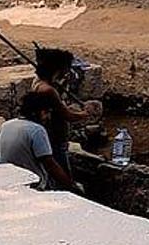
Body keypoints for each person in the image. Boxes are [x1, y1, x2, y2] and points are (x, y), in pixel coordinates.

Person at [31, 48, 101, 176]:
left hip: (51, 138)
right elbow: (67, 115)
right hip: (54, 139)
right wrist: (86, 113)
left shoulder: (39, 83)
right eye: (66, 68)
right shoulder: (48, 90)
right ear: (59, 68)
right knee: (62, 173)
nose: (67, 72)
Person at [0, 92, 75, 191]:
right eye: (47, 113)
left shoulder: (7, 125)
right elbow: (50, 164)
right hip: (33, 184)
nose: (48, 117)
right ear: (42, 112)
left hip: (9, 179)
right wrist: (70, 185)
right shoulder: (37, 130)